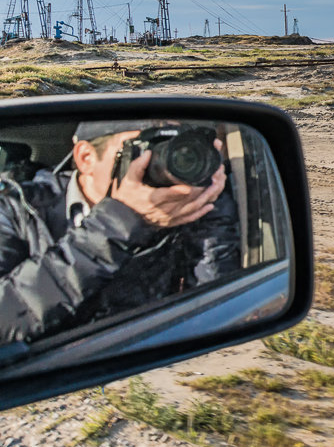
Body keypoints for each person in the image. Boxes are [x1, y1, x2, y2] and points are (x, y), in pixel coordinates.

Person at [0, 120, 238, 345]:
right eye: (144, 151)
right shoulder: (15, 210)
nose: (162, 165)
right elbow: (6, 318)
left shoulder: (181, 213)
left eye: (175, 150)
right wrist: (118, 223)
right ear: (86, 159)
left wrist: (207, 204)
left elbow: (215, 315)